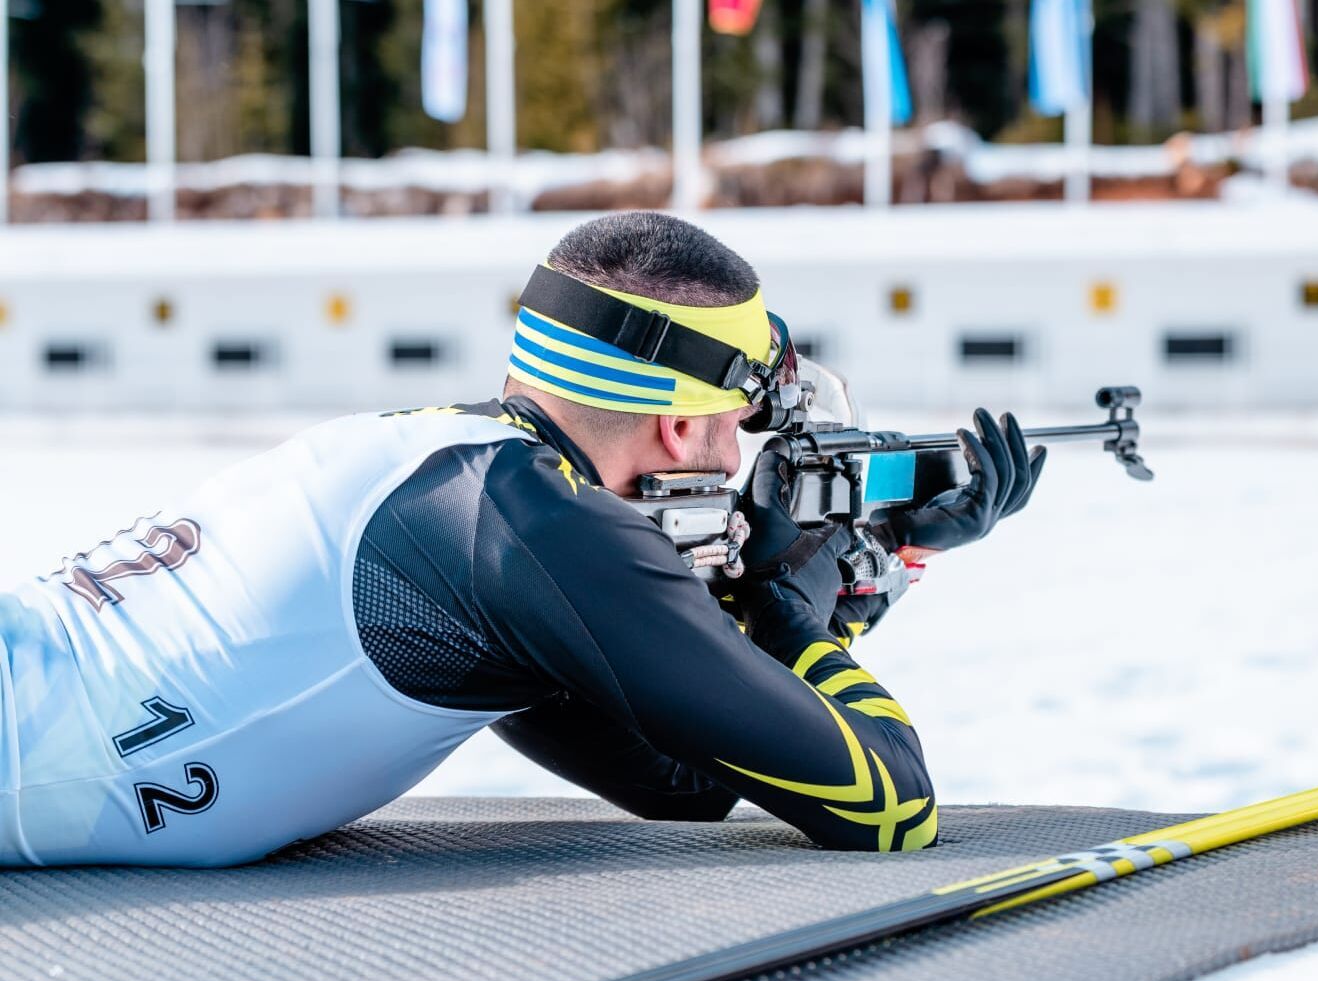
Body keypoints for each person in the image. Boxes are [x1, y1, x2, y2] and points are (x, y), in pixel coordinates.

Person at [0, 211, 1043, 867]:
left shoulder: (461, 477)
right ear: (682, 423)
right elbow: (888, 807)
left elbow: (681, 779)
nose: (736, 458)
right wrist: (778, 600)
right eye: (740, 422)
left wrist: (868, 574)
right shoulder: (544, 525)